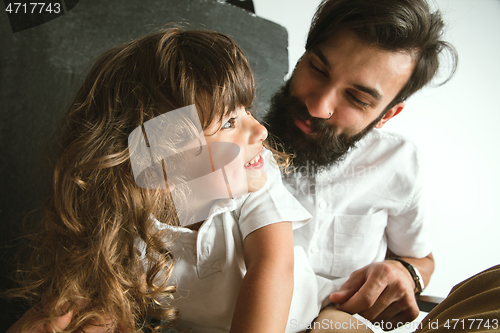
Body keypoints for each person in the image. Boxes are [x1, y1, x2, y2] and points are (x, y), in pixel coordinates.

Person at [5, 28, 321, 333]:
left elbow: (272, 268)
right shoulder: (129, 222)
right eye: (228, 122)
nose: (260, 130)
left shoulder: (256, 177)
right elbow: (103, 304)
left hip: (300, 322)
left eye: (246, 110)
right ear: (160, 164)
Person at [263, 0, 459, 330]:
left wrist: (404, 273)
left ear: (387, 115)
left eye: (357, 99)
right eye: (318, 69)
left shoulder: (398, 162)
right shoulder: (230, 135)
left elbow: (421, 259)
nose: (317, 106)